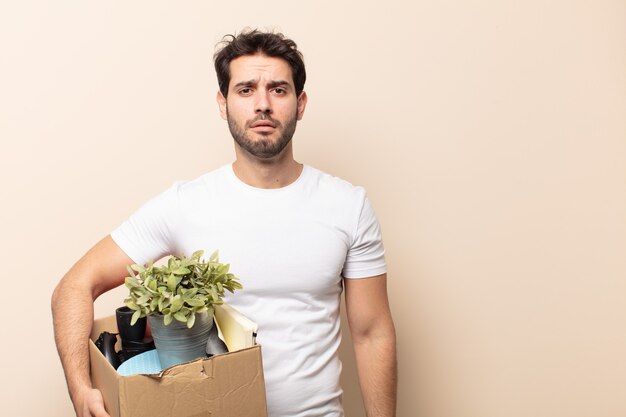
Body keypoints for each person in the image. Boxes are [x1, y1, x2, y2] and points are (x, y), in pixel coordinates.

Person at [52, 29, 397, 417]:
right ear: (223, 103)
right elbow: (74, 285)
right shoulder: (185, 204)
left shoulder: (348, 205)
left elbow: (371, 333)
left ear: (300, 104)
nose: (262, 104)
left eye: (278, 90)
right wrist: (81, 389)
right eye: (246, 89)